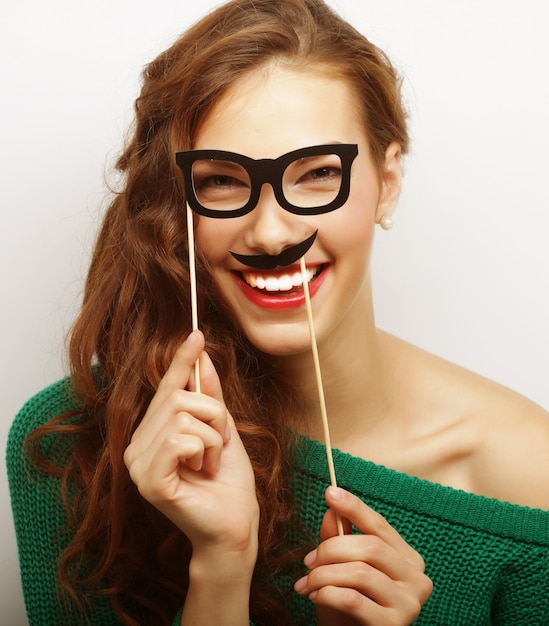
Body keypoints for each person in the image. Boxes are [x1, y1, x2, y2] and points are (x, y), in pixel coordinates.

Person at [7, 0, 549, 624]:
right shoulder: (72, 444)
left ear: (388, 180)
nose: (269, 234)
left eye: (318, 174)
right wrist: (220, 564)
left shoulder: (524, 473)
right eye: (220, 181)